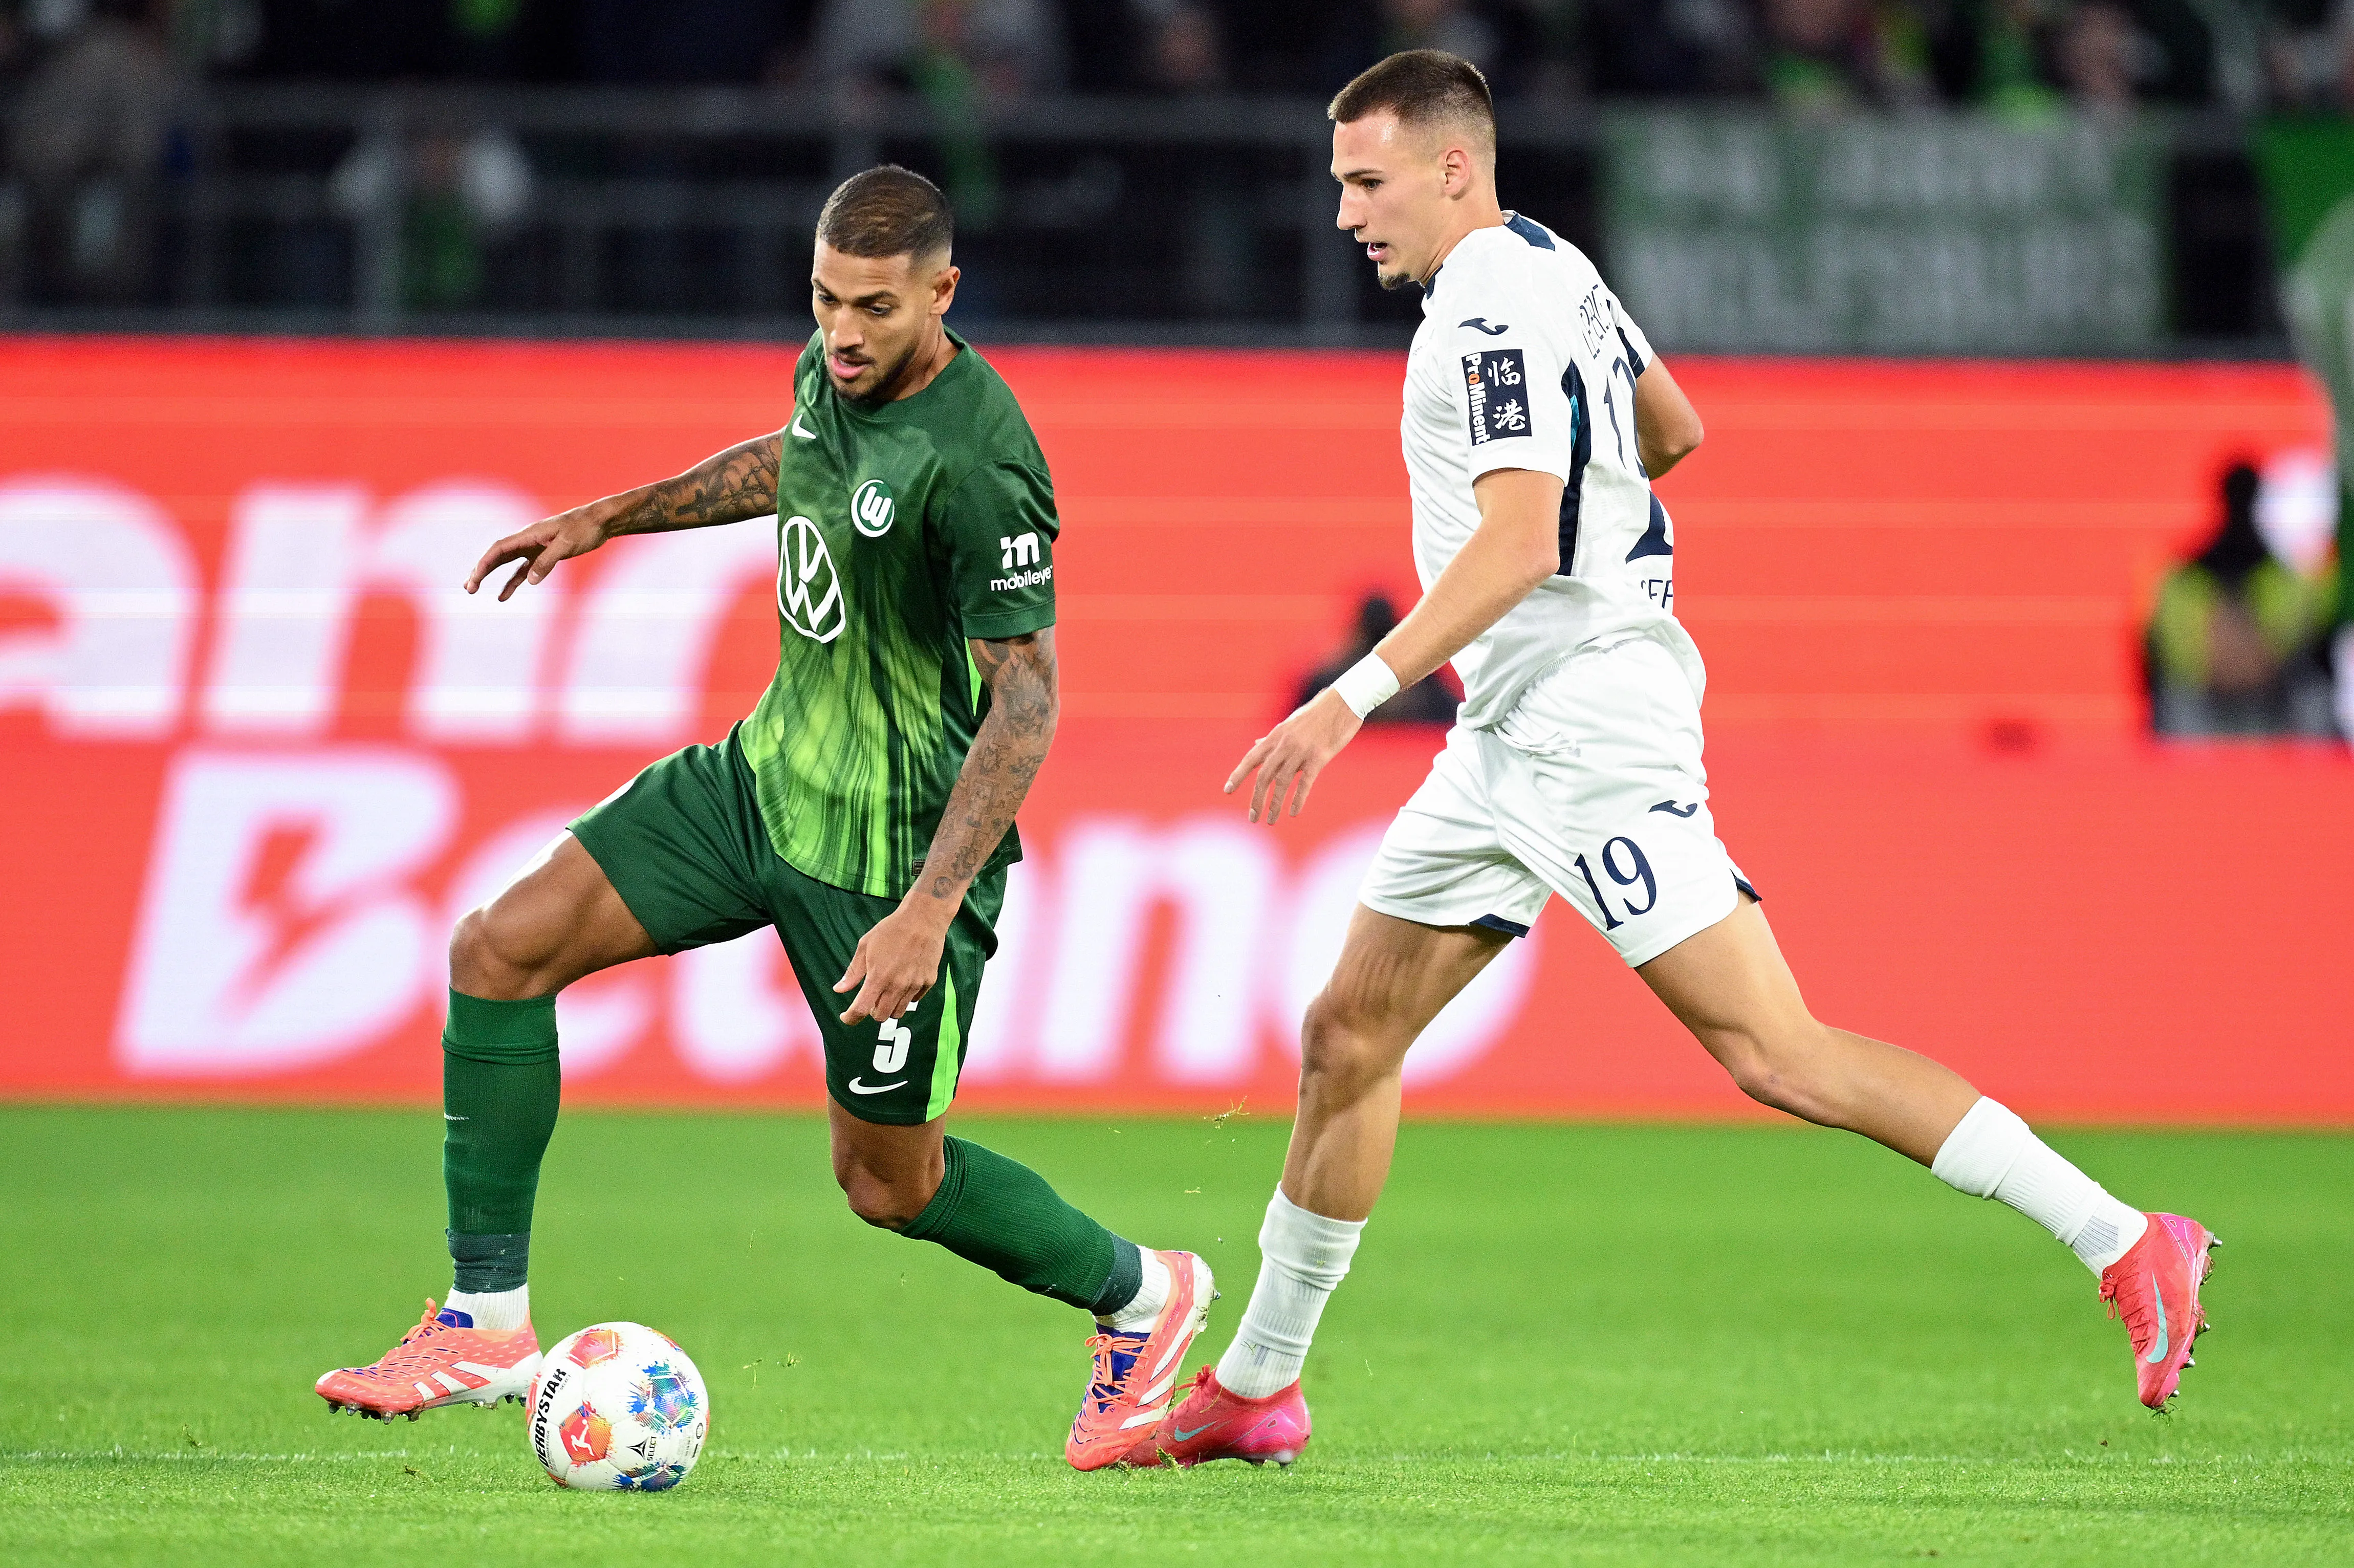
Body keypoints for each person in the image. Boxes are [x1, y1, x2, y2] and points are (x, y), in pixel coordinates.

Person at [1152, 50, 2217, 1469]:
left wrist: (1352, 693)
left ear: (1452, 166)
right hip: (1511, 731)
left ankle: (2128, 1239)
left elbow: (1523, 539)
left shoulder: (1483, 303)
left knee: (1777, 1054)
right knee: (1349, 1034)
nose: (1346, 210)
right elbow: (1674, 429)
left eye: (1366, 178)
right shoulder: (1553, 261)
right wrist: (1600, 546)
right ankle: (1257, 1388)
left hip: (1589, 736)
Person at [314, 165, 1212, 1473]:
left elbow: (1026, 702)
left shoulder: (983, 457)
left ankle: (1142, 1294)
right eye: (825, 299)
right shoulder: (833, 371)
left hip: (889, 859)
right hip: (757, 784)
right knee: (497, 951)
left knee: (888, 1184)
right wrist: (608, 518)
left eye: (876, 309)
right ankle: (487, 1320)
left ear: (944, 294)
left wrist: (927, 910)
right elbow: (788, 464)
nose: (843, 333)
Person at [1293, 591, 1459, 723]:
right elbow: (1454, 716)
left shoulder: (1328, 682)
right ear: (1396, 627)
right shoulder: (1426, 681)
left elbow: (1297, 719)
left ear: (1357, 631)